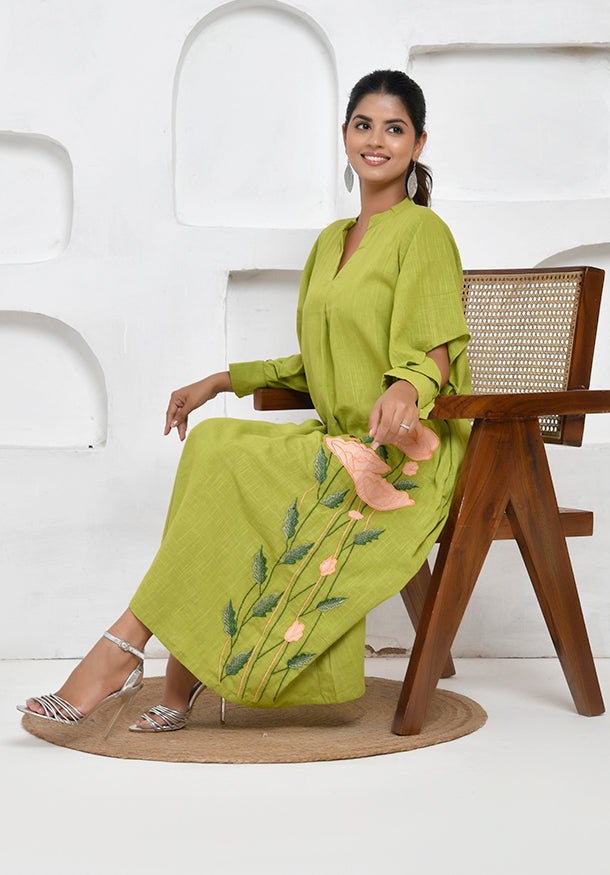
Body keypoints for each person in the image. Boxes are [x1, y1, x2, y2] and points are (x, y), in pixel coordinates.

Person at [18, 70, 471, 735]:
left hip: (403, 456)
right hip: (341, 438)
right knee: (212, 442)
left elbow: (433, 353)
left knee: (232, 462)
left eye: (394, 128)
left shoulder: (423, 233)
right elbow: (321, 361)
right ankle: (176, 674)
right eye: (363, 125)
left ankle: (124, 652)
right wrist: (223, 379)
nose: (376, 140)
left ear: (419, 142)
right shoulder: (331, 240)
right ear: (345, 134)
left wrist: (407, 386)